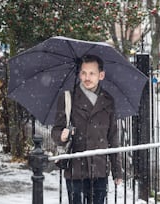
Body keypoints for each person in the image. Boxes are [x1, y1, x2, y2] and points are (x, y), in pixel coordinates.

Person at [51, 54, 122, 204]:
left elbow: (113, 137)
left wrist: (117, 171)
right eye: (83, 73)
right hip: (75, 168)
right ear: (79, 74)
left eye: (92, 73)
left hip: (99, 168)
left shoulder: (108, 100)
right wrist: (62, 136)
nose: (87, 77)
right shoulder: (68, 98)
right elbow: (56, 130)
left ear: (101, 75)